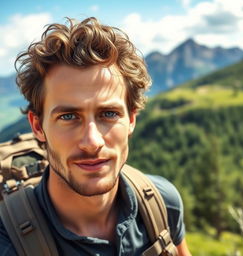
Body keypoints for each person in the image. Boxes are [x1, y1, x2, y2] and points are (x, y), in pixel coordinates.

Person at [0, 17, 191, 255]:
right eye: (68, 117)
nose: (92, 142)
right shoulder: (8, 243)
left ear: (131, 120)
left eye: (109, 114)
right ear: (38, 127)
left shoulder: (163, 204)